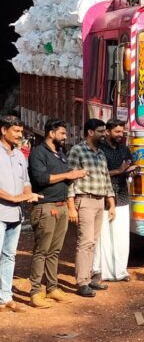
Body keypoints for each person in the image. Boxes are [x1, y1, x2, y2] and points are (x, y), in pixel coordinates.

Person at [27, 119, 88, 308]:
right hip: (46, 206)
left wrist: (75, 176)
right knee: (41, 251)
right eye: (62, 133)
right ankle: (36, 291)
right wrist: (68, 175)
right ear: (51, 133)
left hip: (61, 207)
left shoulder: (60, 153)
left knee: (54, 251)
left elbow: (63, 179)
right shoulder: (38, 153)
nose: (65, 137)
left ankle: (52, 288)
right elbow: (40, 178)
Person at [67, 119, 115, 298]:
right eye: (101, 131)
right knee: (85, 242)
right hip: (84, 200)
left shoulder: (101, 153)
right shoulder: (77, 151)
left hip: (99, 201)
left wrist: (111, 203)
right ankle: (82, 283)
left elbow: (106, 179)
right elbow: (70, 180)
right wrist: (71, 206)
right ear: (90, 132)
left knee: (93, 242)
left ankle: (88, 278)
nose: (104, 134)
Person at [0, 115, 42, 312]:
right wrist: (14, 198)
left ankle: (5, 297)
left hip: (16, 215)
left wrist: (27, 194)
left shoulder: (19, 155)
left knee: (9, 256)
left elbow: (25, 180)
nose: (20, 135)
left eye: (21, 132)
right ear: (3, 130)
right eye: (16, 131)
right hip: (1, 212)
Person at [92, 119, 136, 283]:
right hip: (103, 195)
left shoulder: (124, 149)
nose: (121, 135)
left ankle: (120, 271)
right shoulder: (99, 150)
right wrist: (118, 171)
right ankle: (99, 271)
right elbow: (96, 173)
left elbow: (129, 166)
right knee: (102, 235)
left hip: (122, 195)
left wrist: (131, 171)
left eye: (122, 132)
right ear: (108, 132)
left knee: (121, 235)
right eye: (117, 132)